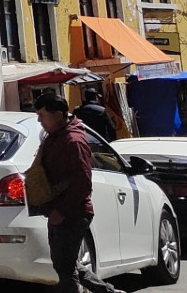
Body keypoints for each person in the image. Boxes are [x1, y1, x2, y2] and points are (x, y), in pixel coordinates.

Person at [34, 91, 123, 293]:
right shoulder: (55, 137)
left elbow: (82, 182)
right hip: (58, 211)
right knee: (64, 264)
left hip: (72, 213)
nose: (40, 121)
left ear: (58, 115)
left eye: (42, 115)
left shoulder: (73, 141)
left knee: (65, 268)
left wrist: (62, 211)